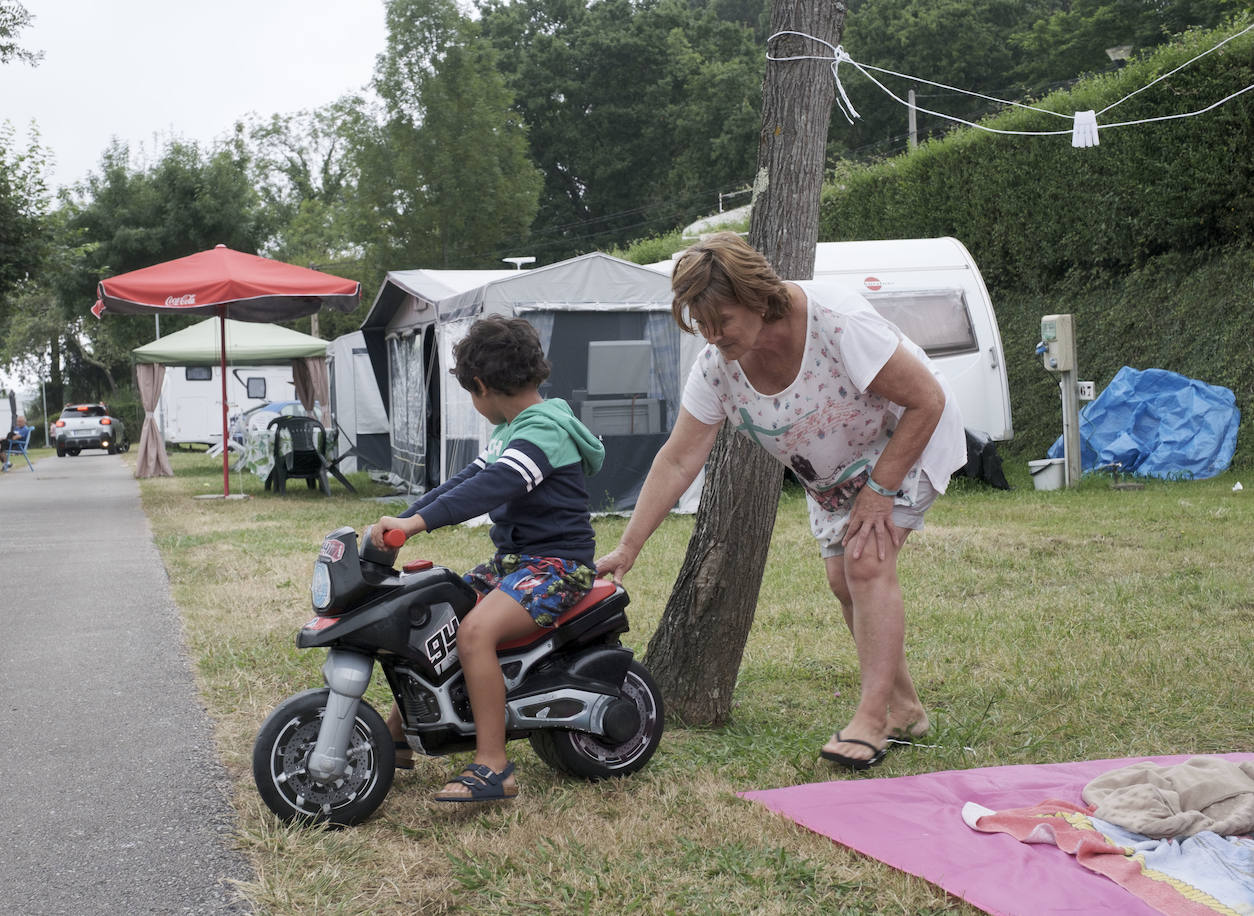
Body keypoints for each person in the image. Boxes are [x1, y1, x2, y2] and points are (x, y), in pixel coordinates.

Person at [596, 232, 965, 771]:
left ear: (755, 295)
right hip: (833, 474)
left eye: (720, 318)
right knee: (844, 583)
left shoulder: (837, 321)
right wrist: (628, 549)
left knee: (866, 564)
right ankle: (907, 709)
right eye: (700, 322)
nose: (711, 333)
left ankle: (872, 720)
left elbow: (926, 399)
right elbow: (678, 460)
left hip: (901, 445)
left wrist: (881, 493)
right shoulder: (716, 367)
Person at [369, 316, 605, 802]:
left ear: (479, 386)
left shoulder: (544, 430)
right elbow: (462, 481)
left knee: (475, 631)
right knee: (437, 614)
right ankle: (399, 736)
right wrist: (405, 519)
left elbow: (494, 485)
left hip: (558, 567)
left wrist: (418, 526)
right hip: (516, 562)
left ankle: (494, 765)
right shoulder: (514, 429)